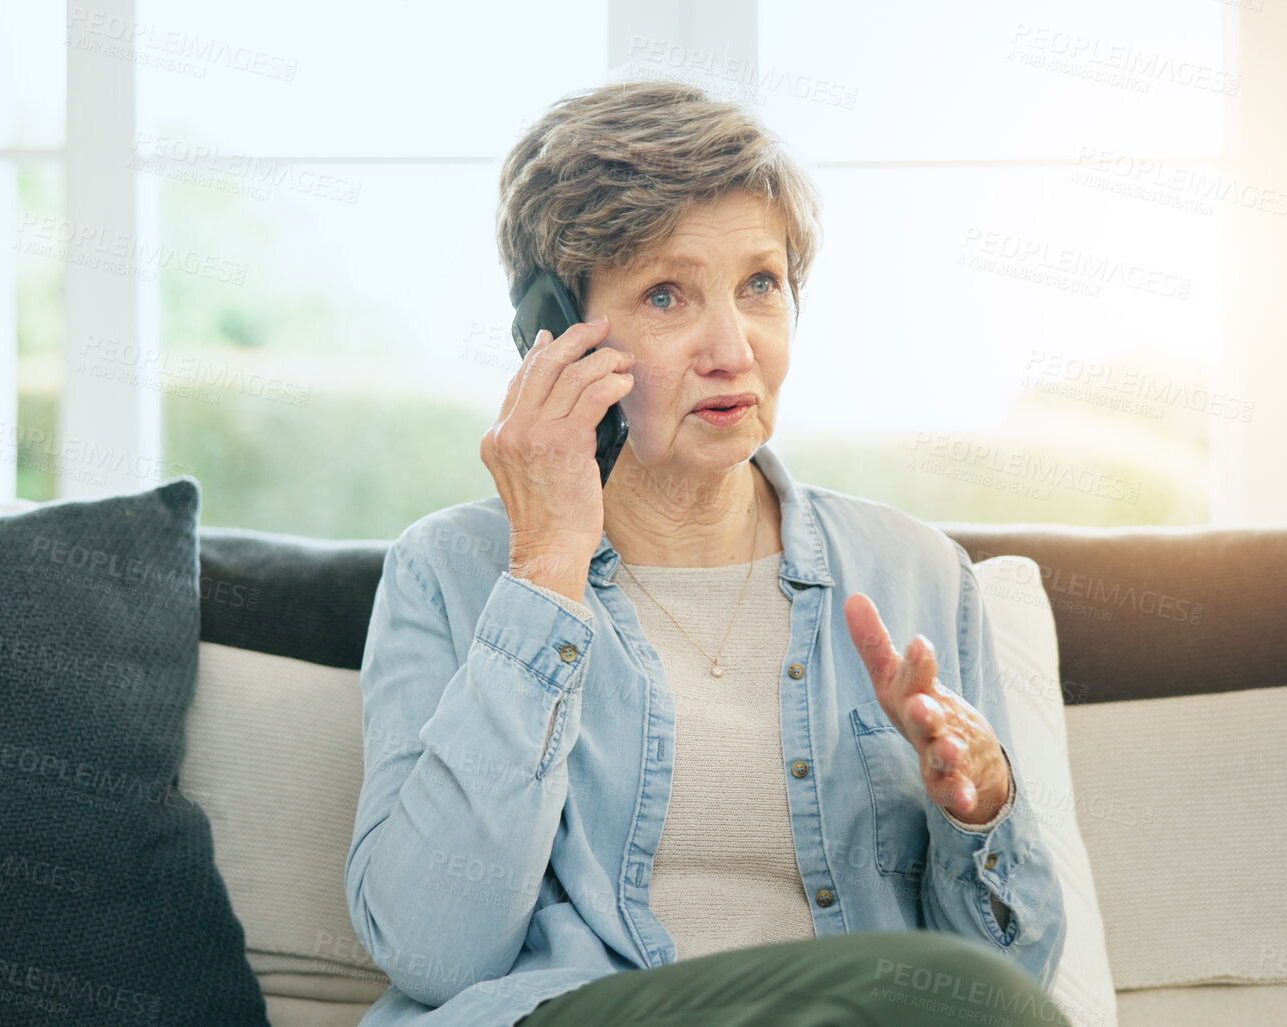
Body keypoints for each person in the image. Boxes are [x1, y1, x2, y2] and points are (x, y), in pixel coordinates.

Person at [345, 80, 1068, 1027]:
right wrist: (549, 570)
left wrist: (979, 809)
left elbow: (1005, 984)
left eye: (760, 284)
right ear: (554, 332)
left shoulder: (915, 572)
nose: (732, 347)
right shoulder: (450, 572)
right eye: (665, 294)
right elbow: (432, 950)